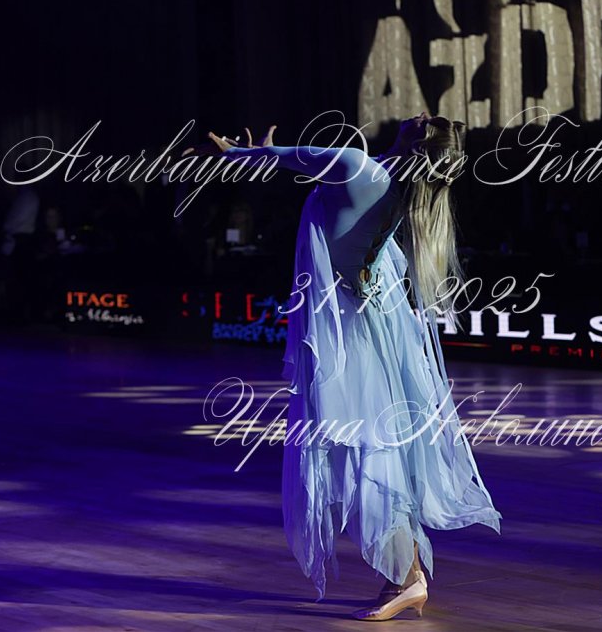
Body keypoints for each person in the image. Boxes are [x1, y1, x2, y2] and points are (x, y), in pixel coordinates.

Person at [209, 113, 503, 621]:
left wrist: (242, 153)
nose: (419, 112)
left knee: (367, 448)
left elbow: (280, 159)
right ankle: (405, 574)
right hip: (374, 319)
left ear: (416, 144)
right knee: (378, 446)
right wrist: (258, 154)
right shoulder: (394, 185)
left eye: (425, 121)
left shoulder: (358, 166)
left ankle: (408, 578)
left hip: (354, 329)